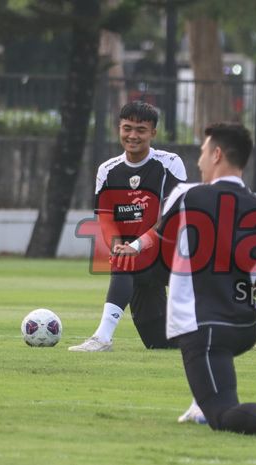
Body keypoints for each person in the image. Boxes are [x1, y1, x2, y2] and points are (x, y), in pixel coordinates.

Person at [116, 122, 256, 440]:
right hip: (247, 325)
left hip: (204, 326)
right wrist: (247, 287)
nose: (199, 161)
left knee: (222, 414)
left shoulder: (187, 196)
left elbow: (163, 253)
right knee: (210, 371)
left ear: (217, 154)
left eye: (204, 152)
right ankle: (198, 403)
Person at [69, 101, 187, 352]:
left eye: (141, 130)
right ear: (119, 129)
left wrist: (136, 245)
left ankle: (102, 338)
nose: (133, 135)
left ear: (153, 133)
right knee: (160, 344)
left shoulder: (170, 163)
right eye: (127, 128)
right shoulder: (107, 170)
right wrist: (117, 246)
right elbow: (106, 217)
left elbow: (172, 217)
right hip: (138, 260)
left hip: (174, 255)